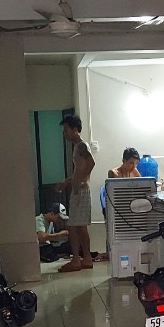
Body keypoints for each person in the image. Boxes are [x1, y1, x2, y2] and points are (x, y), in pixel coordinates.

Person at [55, 115, 96, 271]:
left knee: (73, 226)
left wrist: (80, 181)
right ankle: (85, 259)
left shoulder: (81, 146)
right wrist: (68, 182)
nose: (64, 134)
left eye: (66, 130)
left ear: (74, 130)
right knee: (79, 227)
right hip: (80, 189)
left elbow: (91, 163)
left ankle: (77, 260)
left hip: (81, 191)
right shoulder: (79, 146)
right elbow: (79, 170)